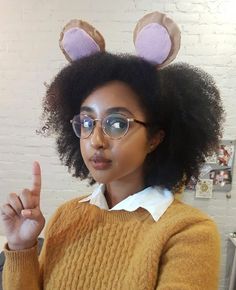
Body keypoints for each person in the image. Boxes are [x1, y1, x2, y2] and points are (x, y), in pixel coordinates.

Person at [0, 12, 224, 290]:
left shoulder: (189, 232)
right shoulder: (66, 216)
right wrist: (22, 247)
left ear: (155, 137)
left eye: (117, 123)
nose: (95, 140)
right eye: (85, 122)